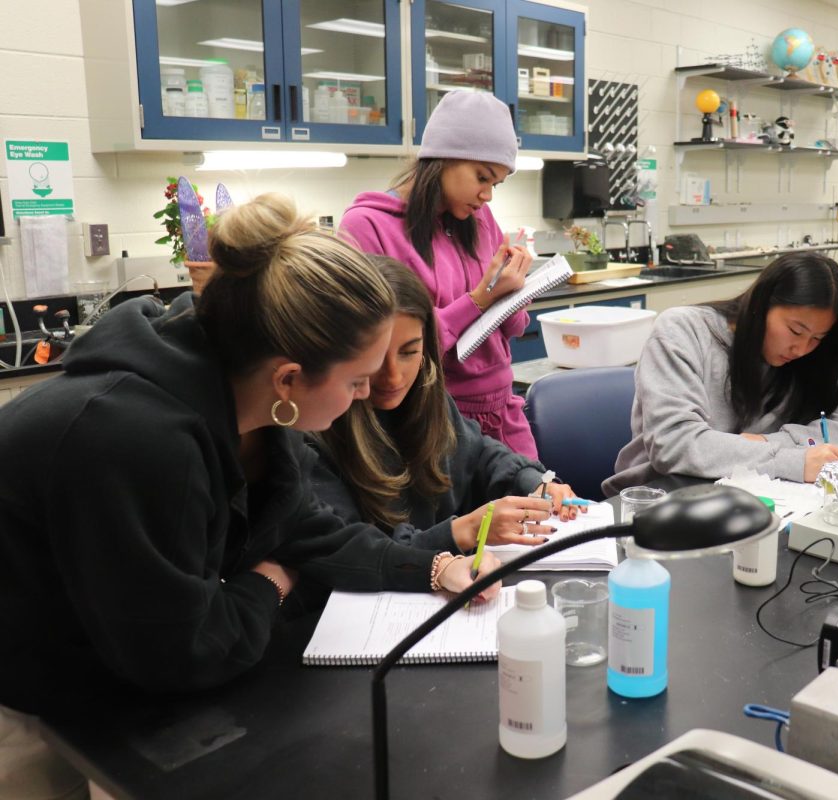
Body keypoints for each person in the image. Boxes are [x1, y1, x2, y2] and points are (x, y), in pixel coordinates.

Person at [0, 194, 499, 799]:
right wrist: (270, 578)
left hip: (111, 670)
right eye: (357, 380)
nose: (371, 393)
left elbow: (306, 529)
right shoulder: (135, 439)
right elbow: (189, 652)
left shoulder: (247, 395)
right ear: (288, 378)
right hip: (28, 708)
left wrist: (437, 568)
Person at [308, 256, 581, 561]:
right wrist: (464, 530)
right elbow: (348, 554)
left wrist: (534, 484)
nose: (395, 376)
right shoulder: (318, 427)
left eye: (410, 352)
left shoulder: (425, 395)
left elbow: (479, 455)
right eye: (376, 357)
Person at [340, 91, 538, 458]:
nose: (488, 195)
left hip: (502, 412)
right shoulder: (368, 226)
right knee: (465, 518)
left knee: (540, 508)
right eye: (482, 177)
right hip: (428, 423)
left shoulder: (479, 221)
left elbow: (513, 331)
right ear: (444, 157)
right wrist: (479, 300)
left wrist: (514, 294)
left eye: (495, 183)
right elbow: (381, 346)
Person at [603, 252, 838, 494]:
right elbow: (675, 445)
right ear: (761, 305)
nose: (801, 348)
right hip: (663, 492)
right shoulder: (683, 331)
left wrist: (771, 442)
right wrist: (794, 460)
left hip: (751, 493)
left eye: (817, 338)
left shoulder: (812, 355)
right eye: (795, 331)